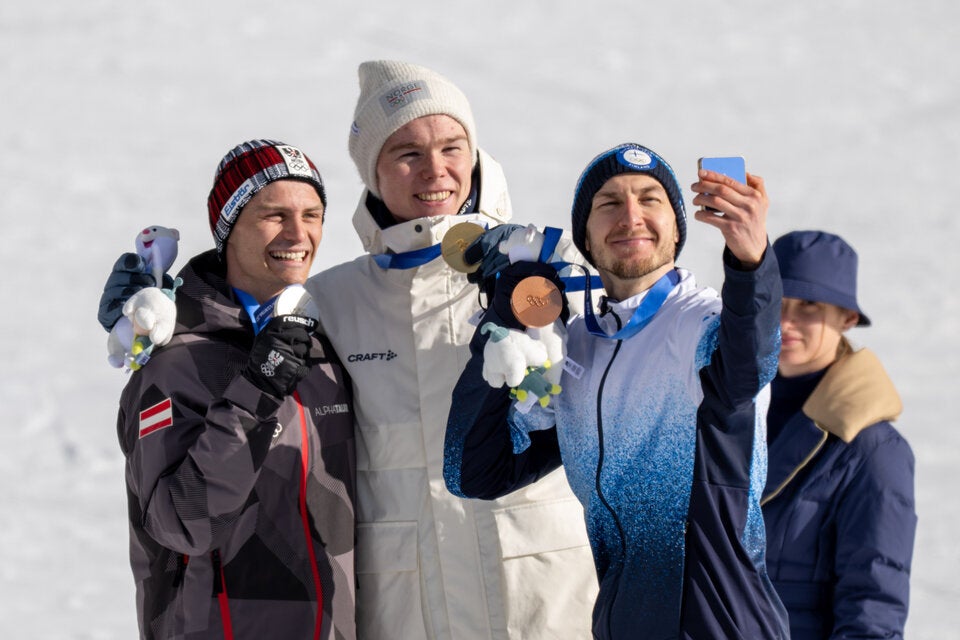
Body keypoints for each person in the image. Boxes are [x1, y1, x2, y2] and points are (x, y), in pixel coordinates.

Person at [444, 143, 790, 639]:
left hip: (723, 623)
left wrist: (750, 260)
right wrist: (504, 323)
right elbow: (474, 472)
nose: (631, 216)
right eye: (609, 203)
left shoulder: (702, 325)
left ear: (676, 227)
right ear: (585, 235)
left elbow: (750, 361)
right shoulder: (577, 348)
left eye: (650, 200)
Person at [307, 60, 598, 639]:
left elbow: (619, 381)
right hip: (408, 603)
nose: (435, 170)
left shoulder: (546, 265)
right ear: (372, 174)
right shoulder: (330, 303)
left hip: (543, 591)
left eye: (452, 146)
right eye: (407, 152)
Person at [104, 140, 356, 639]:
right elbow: (183, 524)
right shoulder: (175, 363)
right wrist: (257, 388)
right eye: (273, 215)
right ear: (228, 228)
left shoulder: (324, 345)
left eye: (312, 214)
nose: (298, 233)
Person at [761, 230, 916, 639]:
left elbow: (873, 602)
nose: (786, 321)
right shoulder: (727, 413)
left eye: (809, 305)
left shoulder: (874, 449)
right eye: (777, 300)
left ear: (847, 318)